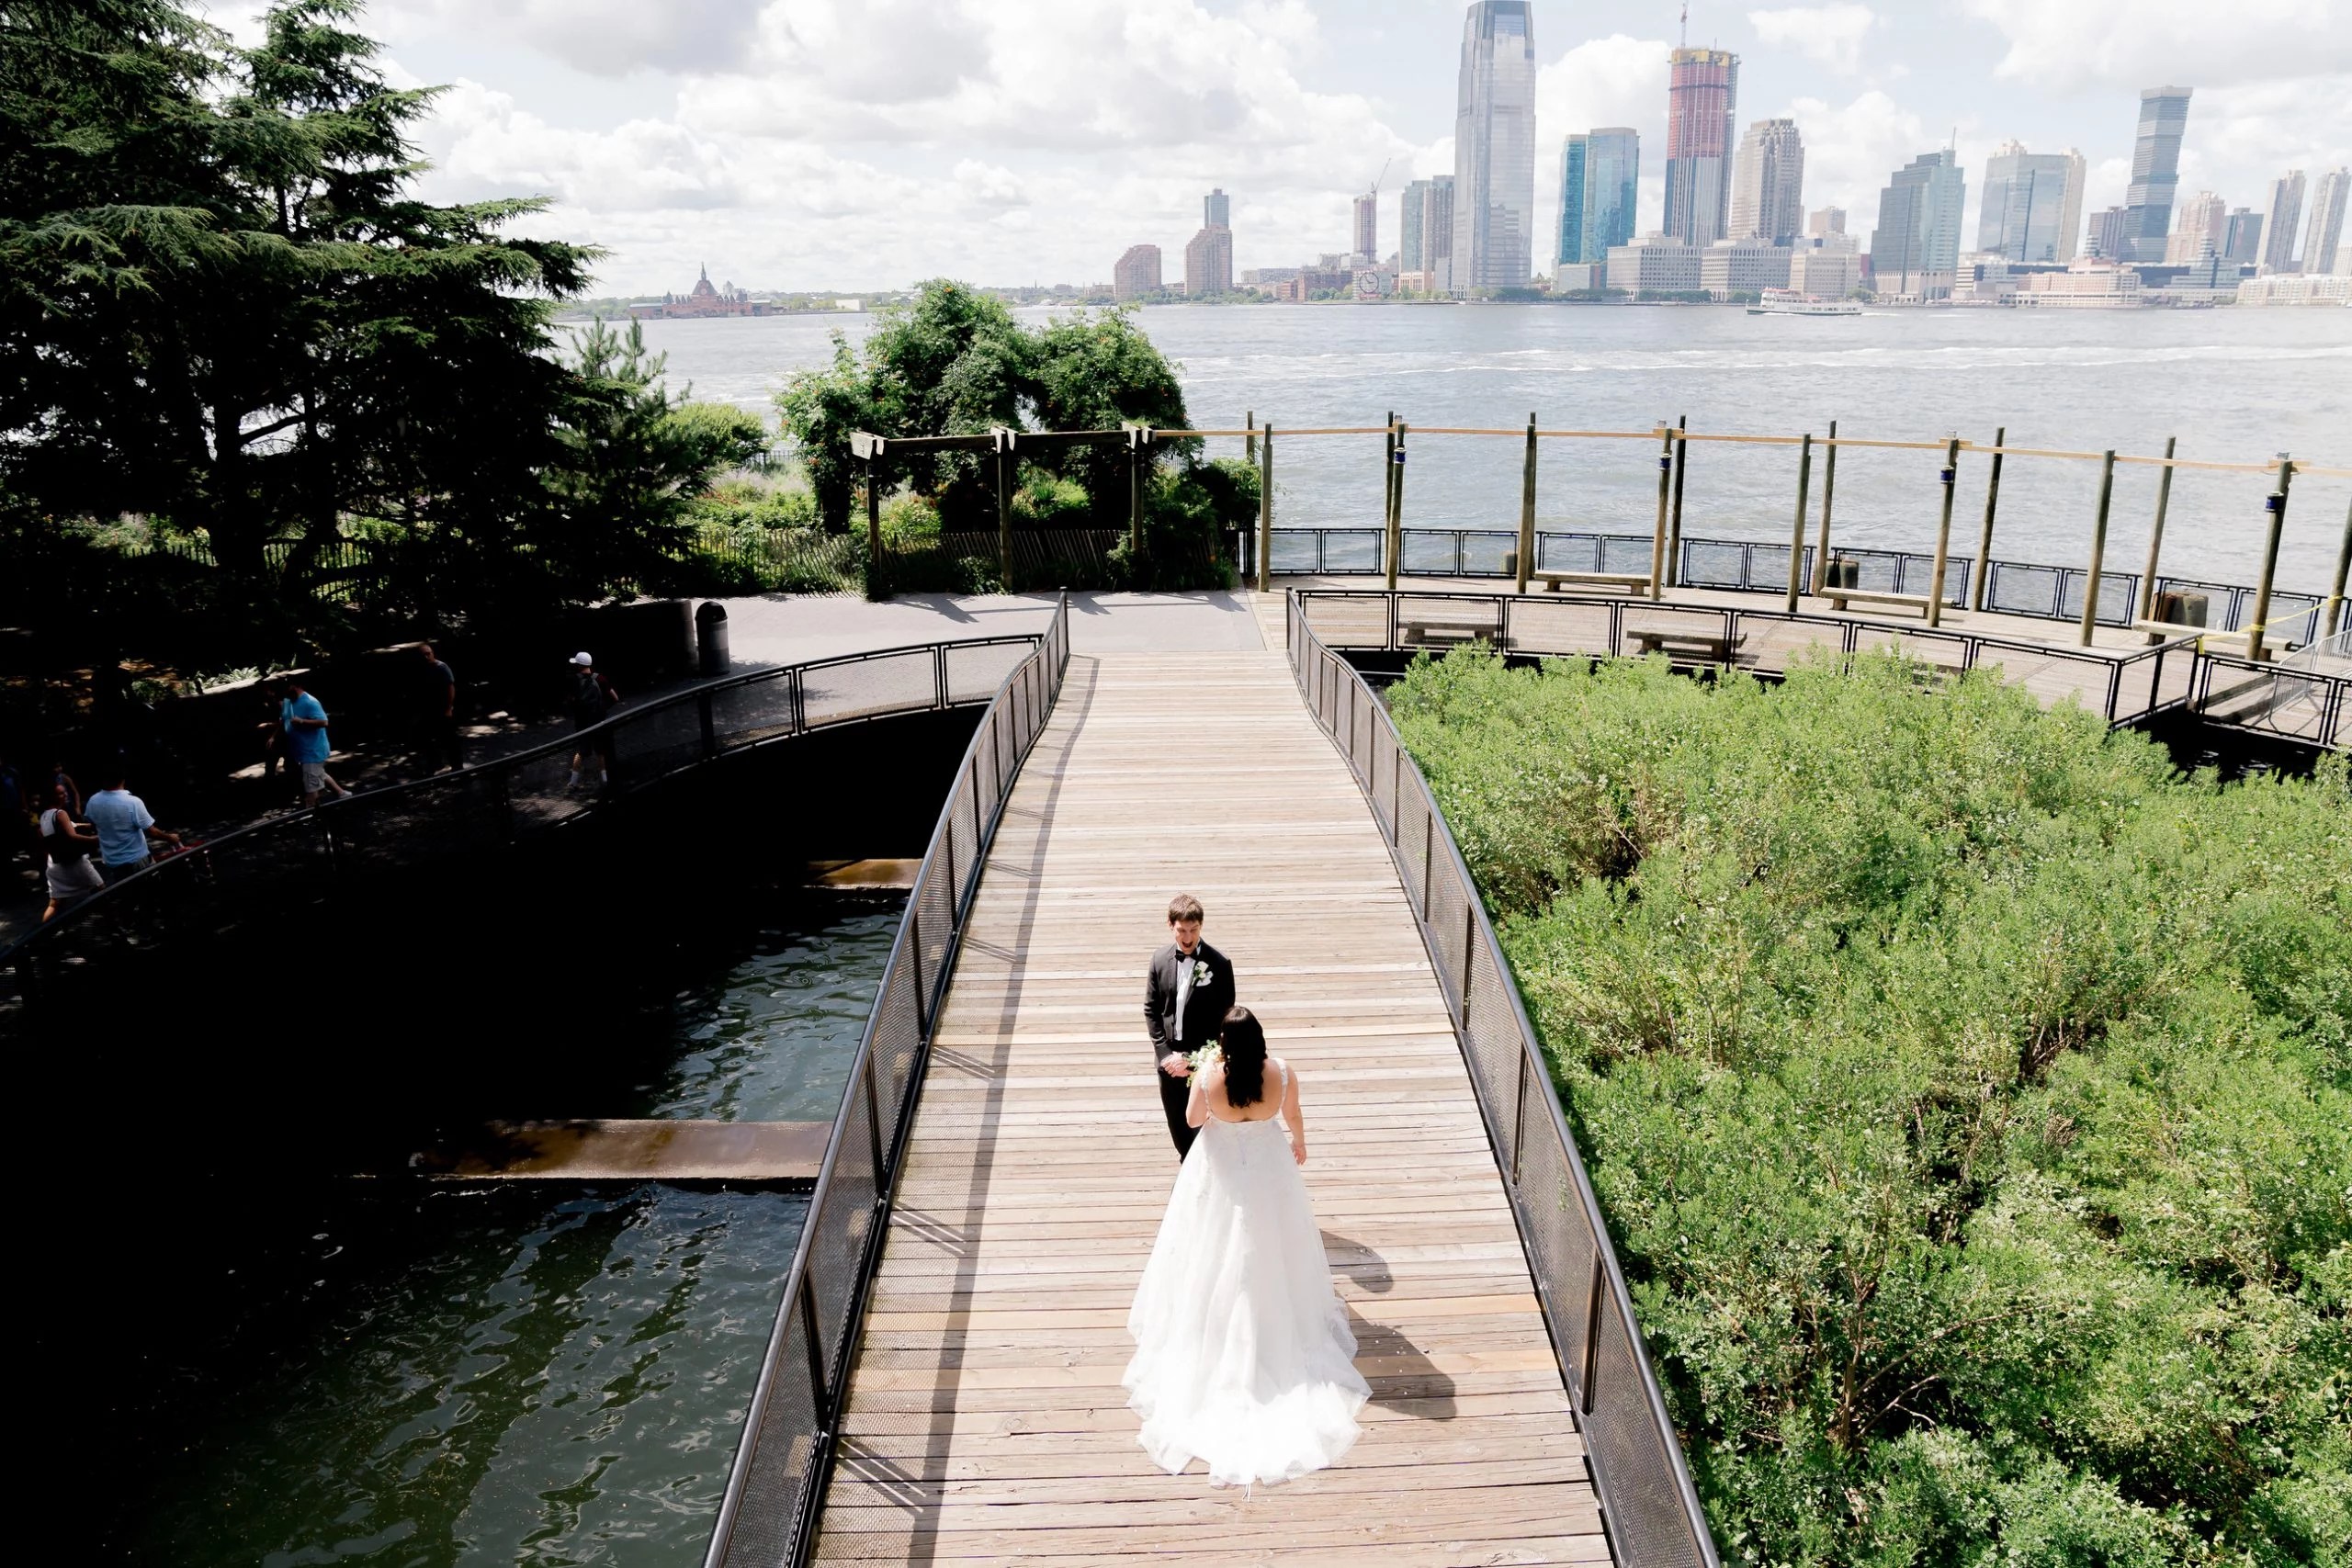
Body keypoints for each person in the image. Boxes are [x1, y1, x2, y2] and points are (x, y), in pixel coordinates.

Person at [1122, 1006, 1369, 1486]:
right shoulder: (1281, 1074)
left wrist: (1199, 1077)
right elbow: (1292, 1114)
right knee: (1275, 1247)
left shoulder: (1212, 1075)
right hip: (1269, 1170)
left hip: (1222, 1175)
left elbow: (1194, 1121)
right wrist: (1298, 1142)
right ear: (1259, 1038)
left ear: (1223, 1044)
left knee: (1209, 1252)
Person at [1143, 893, 1238, 1159]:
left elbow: (1224, 1021)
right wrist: (1166, 1056)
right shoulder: (1159, 959)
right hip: (1168, 1066)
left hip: (1204, 1064)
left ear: (1201, 926)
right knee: (1180, 1134)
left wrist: (1192, 1060)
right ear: (1170, 925)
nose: (1187, 937)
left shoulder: (1220, 965)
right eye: (1182, 930)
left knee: (1207, 1135)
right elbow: (1151, 1010)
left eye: (1193, 930)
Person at [85, 769, 181, 883]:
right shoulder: (133, 802)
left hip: (113, 863)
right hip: (136, 861)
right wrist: (170, 838)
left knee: (127, 895)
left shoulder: (93, 801)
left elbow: (92, 824)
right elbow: (152, 832)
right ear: (123, 780)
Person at [38, 783, 105, 919]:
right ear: (52, 797)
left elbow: (65, 826)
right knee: (101, 889)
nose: (66, 794)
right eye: (61, 793)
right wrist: (97, 839)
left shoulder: (44, 816)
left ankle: (43, 934)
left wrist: (87, 825)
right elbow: (72, 836)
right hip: (73, 862)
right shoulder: (60, 813)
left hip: (55, 864)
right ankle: (110, 925)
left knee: (55, 904)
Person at [280, 675, 347, 807]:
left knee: (311, 787)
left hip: (313, 750)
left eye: (287, 687)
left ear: (295, 686)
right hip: (301, 750)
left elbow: (324, 722)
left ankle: (313, 813)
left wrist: (302, 721)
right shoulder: (288, 701)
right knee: (318, 774)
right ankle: (342, 793)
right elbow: (284, 722)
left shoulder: (310, 702)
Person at [567, 651, 619, 792]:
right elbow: (615, 698)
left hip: (582, 724)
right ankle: (605, 780)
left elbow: (571, 702)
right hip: (599, 722)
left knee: (580, 752)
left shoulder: (574, 681)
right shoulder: (600, 678)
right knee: (601, 751)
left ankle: (573, 782)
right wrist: (602, 709)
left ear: (579, 665)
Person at [415, 642, 462, 773]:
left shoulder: (441, 667)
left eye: (428, 654)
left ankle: (457, 766)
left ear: (432, 653)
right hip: (430, 710)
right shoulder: (423, 669)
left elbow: (450, 688)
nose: (426, 657)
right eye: (423, 655)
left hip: (443, 709)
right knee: (426, 738)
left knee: (450, 739)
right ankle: (436, 763)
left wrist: (448, 708)